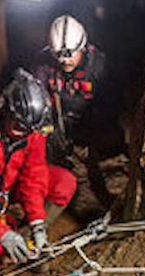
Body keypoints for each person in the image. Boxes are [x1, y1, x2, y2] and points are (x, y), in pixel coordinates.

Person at [0, 69, 73, 274]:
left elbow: (33, 177)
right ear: (5, 110)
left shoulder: (32, 129)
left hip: (11, 188)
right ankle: (7, 243)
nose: (23, 135)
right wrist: (2, 234)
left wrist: (37, 224)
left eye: (28, 130)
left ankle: (27, 243)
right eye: (19, 127)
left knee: (64, 183)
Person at [31, 15, 109, 207]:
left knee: (107, 171)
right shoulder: (43, 62)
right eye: (58, 56)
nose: (65, 61)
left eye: (71, 55)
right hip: (59, 126)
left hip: (93, 125)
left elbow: (111, 105)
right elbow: (36, 97)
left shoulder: (99, 65)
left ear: (82, 47)